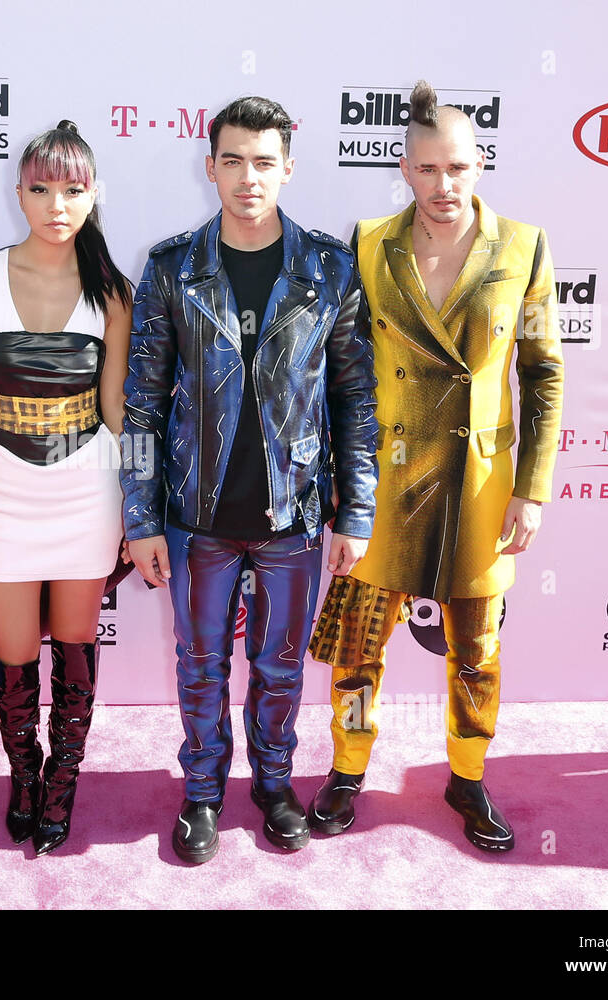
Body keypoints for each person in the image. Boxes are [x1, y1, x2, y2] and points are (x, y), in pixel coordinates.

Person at [307, 80, 564, 853]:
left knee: (477, 651)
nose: (443, 187)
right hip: (383, 482)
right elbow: (341, 373)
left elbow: (543, 370)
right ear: (404, 168)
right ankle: (348, 768)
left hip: (481, 486)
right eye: (427, 170)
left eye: (457, 168)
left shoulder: (525, 247)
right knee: (356, 651)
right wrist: (338, 487)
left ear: (479, 164)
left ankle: (467, 775)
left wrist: (533, 489)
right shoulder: (367, 242)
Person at [122, 97, 379, 864]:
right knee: (199, 665)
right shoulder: (172, 266)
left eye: (264, 161)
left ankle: (273, 783)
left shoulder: (330, 267)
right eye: (232, 160)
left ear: (288, 169)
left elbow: (355, 398)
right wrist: (140, 517)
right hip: (195, 514)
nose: (247, 177)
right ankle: (202, 790)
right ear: (210, 168)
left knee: (279, 666)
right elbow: (139, 402)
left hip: (295, 513)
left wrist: (357, 509)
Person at [0, 121, 131, 856]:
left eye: (73, 189)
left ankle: (64, 784)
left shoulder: (113, 292)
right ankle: (23, 777)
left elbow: (123, 411)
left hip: (89, 495)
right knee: (14, 650)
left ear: (96, 195)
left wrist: (137, 501)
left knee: (79, 644)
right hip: (3, 492)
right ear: (18, 191)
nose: (57, 203)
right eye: (41, 188)